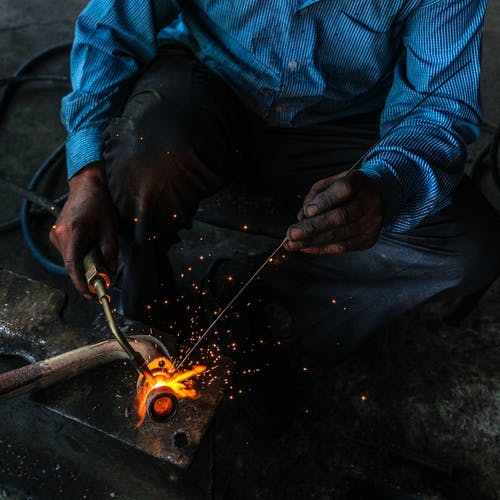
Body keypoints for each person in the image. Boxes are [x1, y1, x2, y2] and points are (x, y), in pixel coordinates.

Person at [51, 0, 500, 365]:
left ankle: (249, 299)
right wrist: (87, 173)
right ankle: (147, 306)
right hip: (207, 87)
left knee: (467, 252)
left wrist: (383, 186)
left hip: (339, 127)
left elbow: (439, 104)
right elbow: (109, 30)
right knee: (148, 149)